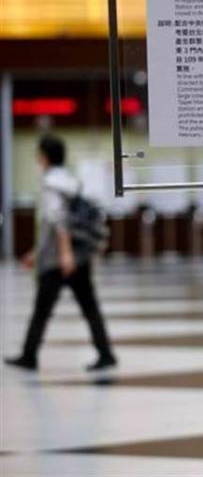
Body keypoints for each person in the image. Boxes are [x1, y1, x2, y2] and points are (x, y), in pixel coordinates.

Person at [5, 135, 117, 372]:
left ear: (45, 157)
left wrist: (63, 255)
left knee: (42, 310)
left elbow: (58, 221)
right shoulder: (69, 180)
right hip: (77, 256)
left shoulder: (50, 184)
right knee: (89, 306)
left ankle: (29, 356)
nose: (37, 159)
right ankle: (105, 353)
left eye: (39, 154)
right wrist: (37, 253)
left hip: (58, 260)